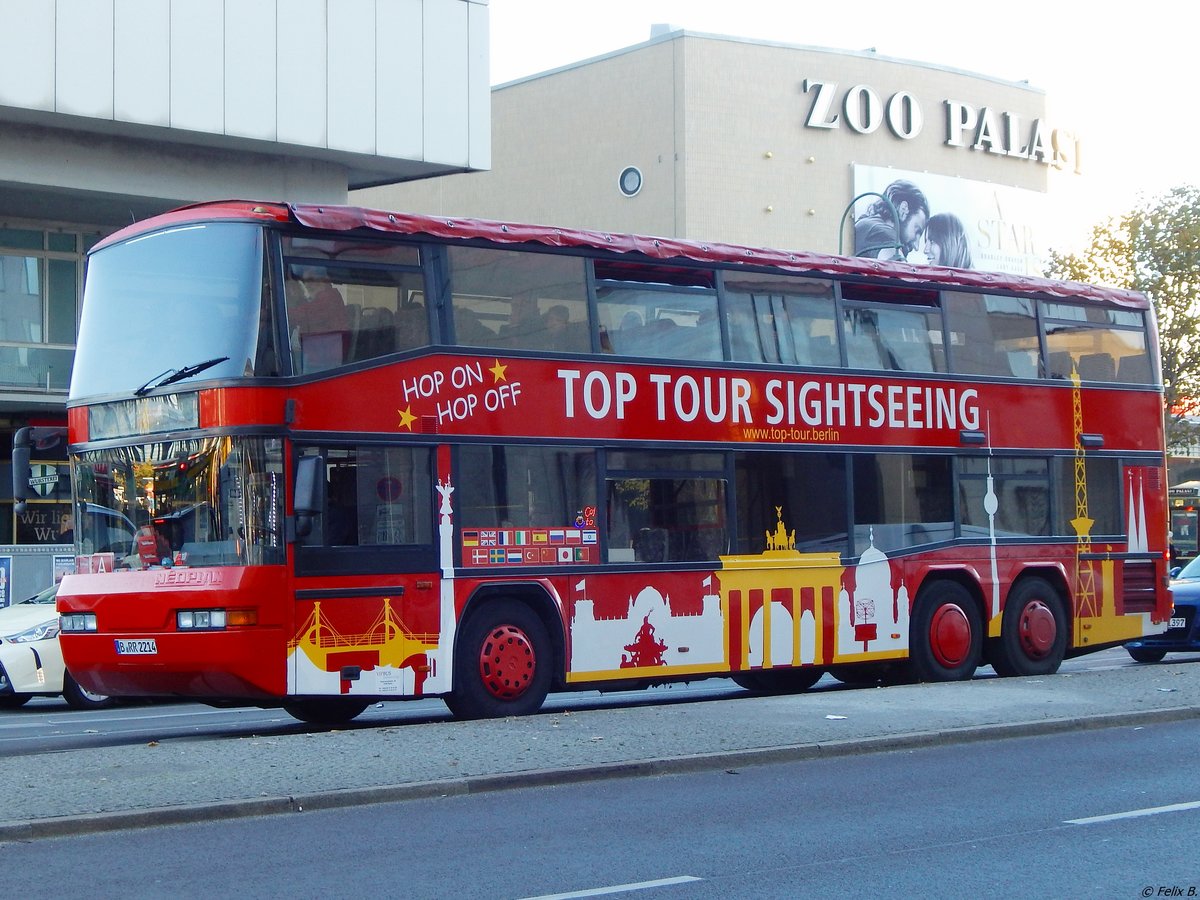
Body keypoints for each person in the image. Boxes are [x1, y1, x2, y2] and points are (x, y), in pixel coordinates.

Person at [853, 180, 929, 261]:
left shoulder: (868, 226)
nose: (916, 246)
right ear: (903, 209)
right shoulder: (881, 232)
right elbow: (900, 271)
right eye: (917, 231)